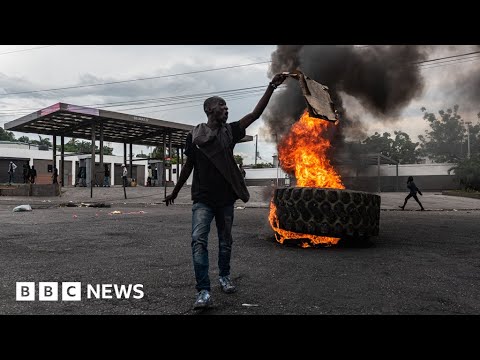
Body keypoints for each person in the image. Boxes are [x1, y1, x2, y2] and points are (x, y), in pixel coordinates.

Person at [163, 73, 287, 309]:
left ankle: (224, 276)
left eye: (227, 106)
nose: (226, 109)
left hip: (225, 199)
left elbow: (255, 114)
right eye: (222, 106)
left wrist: (271, 87)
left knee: (225, 241)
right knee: (198, 241)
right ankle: (203, 292)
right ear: (209, 109)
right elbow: (189, 165)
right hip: (202, 199)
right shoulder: (195, 136)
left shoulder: (230, 132)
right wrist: (176, 191)